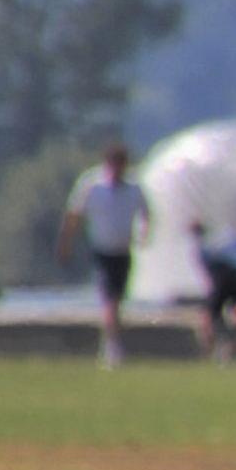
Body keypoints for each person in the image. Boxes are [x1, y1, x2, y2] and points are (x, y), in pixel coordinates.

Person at [57, 143, 151, 367]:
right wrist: (66, 243)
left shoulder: (133, 188)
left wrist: (143, 234)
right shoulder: (92, 185)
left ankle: (110, 341)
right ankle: (113, 347)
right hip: (102, 250)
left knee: (117, 299)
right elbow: (74, 215)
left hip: (123, 250)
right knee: (111, 299)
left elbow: (146, 213)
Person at [188, 221, 236, 362]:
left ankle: (209, 349)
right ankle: (231, 350)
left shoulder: (204, 248)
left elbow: (209, 271)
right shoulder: (233, 239)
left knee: (209, 316)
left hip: (226, 276)